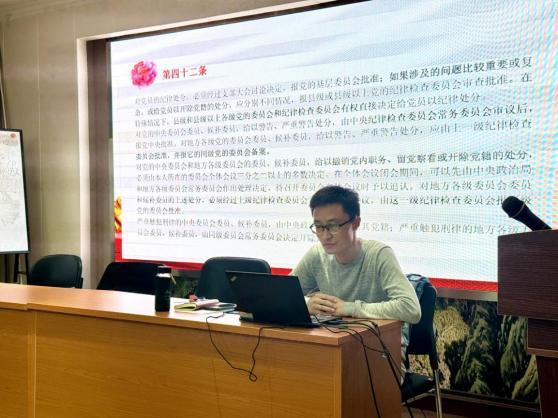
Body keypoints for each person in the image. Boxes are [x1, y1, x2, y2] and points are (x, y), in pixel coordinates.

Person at [293, 185, 421, 324]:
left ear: (355, 223)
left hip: (379, 335)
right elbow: (282, 295)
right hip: (335, 334)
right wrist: (307, 304)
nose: (325, 236)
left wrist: (350, 308)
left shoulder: (378, 254)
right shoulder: (317, 254)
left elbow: (411, 309)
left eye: (333, 226)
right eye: (319, 227)